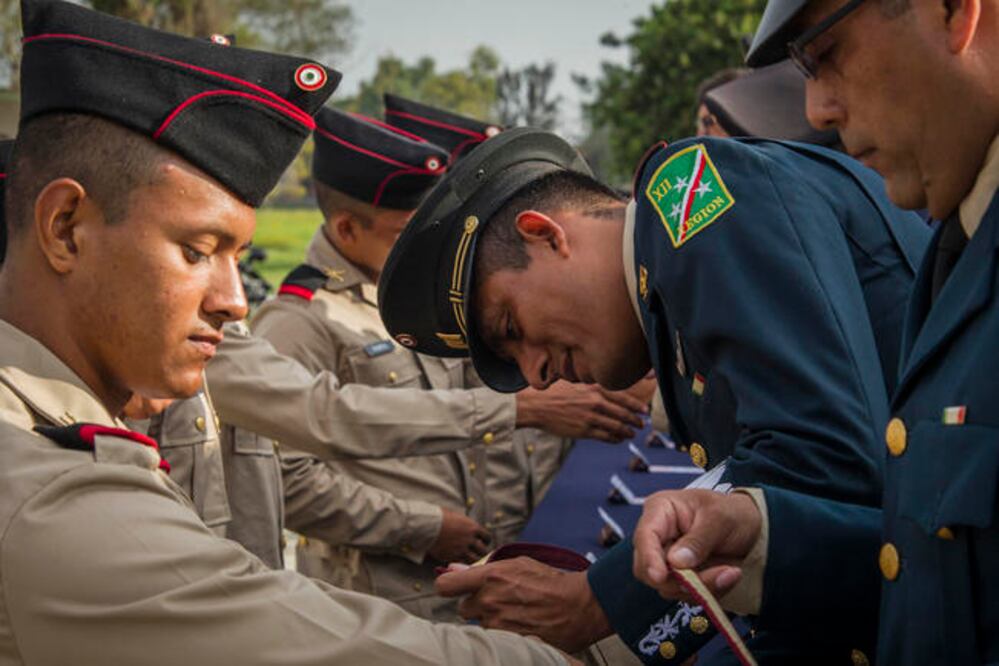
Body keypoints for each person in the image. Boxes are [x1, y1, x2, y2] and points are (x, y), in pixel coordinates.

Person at [0, 1, 574, 663]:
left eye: (236, 258)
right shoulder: (49, 488)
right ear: (66, 227)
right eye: (196, 249)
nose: (234, 302)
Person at [376, 123, 930, 663]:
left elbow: (825, 462)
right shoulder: (669, 310)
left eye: (511, 329)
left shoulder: (689, 192)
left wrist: (600, 602)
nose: (536, 375)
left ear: (545, 234)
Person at [631, 0, 999, 663]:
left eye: (826, 55)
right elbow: (945, 571)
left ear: (953, 12)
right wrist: (765, 536)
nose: (816, 112)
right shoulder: (959, 246)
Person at [249, 106, 651, 618]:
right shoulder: (299, 320)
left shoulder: (437, 308)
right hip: (388, 597)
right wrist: (420, 526)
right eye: (402, 232)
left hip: (482, 576)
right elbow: (286, 477)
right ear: (347, 230)